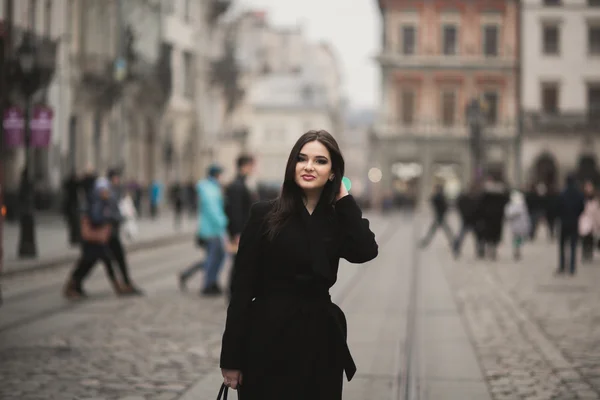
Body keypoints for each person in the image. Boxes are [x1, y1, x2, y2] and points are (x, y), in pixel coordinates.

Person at [219, 130, 378, 400]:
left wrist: (343, 198)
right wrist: (231, 358)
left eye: (320, 161)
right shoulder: (264, 214)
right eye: (302, 159)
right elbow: (242, 289)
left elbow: (366, 250)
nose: (308, 166)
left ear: (333, 172)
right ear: (292, 165)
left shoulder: (337, 220)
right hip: (267, 337)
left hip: (321, 340)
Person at [63, 178, 120, 299]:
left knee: (90, 263)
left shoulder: (103, 202)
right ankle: (72, 285)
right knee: (88, 262)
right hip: (92, 239)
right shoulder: (94, 202)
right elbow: (92, 220)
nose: (106, 192)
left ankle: (75, 285)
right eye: (104, 190)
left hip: (97, 240)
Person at [179, 164, 229, 296]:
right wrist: (223, 222)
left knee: (217, 257)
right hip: (212, 230)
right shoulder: (209, 188)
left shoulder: (212, 187)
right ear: (216, 175)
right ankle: (208, 284)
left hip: (213, 229)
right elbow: (213, 209)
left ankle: (207, 280)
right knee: (214, 258)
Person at [105, 169, 143, 295]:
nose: (118, 180)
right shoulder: (107, 192)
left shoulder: (116, 191)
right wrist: (119, 217)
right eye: (116, 178)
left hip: (111, 232)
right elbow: (109, 211)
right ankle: (123, 285)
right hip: (105, 233)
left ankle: (125, 284)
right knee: (100, 259)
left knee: (116, 258)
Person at [224, 154, 257, 298]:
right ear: (245, 166)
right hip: (239, 232)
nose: (254, 169)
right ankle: (233, 293)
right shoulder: (237, 185)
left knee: (240, 263)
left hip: (242, 231)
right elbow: (235, 211)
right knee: (238, 263)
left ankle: (236, 292)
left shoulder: (242, 183)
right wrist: (237, 233)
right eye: (252, 165)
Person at [556, 174, 585, 275]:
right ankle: (572, 268)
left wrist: (561, 216)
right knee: (573, 246)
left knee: (562, 246)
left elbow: (558, 207)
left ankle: (562, 266)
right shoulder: (579, 194)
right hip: (574, 222)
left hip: (564, 222)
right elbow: (582, 207)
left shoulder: (562, 193)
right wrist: (576, 215)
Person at [419, 184, 454, 249]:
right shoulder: (442, 197)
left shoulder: (438, 196)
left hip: (439, 215)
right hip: (440, 215)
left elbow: (432, 200)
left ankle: (453, 242)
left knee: (435, 229)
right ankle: (453, 242)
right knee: (444, 229)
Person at [505, 190, 531, 260]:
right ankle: (516, 250)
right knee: (515, 238)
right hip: (514, 225)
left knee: (518, 239)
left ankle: (517, 249)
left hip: (520, 225)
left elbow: (525, 217)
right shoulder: (510, 205)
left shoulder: (522, 205)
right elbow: (508, 214)